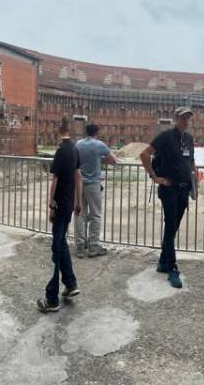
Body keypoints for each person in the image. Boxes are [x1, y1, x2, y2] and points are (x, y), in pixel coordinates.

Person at [140, 107, 197, 289]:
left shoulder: (189, 139)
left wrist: (194, 178)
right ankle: (172, 268)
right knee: (171, 226)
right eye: (183, 118)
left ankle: (163, 262)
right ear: (177, 118)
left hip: (183, 189)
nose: (186, 121)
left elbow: (191, 161)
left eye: (188, 118)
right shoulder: (165, 136)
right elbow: (144, 154)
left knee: (173, 228)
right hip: (169, 189)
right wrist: (154, 177)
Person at [36, 123, 82, 313]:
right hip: (70, 203)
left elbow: (54, 180)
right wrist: (78, 202)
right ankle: (70, 284)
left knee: (57, 247)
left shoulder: (61, 151)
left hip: (61, 204)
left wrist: (51, 204)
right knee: (61, 243)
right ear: (69, 130)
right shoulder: (75, 149)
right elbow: (78, 177)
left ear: (58, 132)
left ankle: (52, 299)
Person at [76, 123, 118, 258]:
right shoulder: (98, 144)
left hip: (78, 183)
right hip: (93, 184)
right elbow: (113, 160)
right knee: (95, 215)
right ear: (96, 133)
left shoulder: (78, 144)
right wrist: (101, 160)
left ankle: (80, 247)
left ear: (85, 131)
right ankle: (93, 247)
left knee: (79, 215)